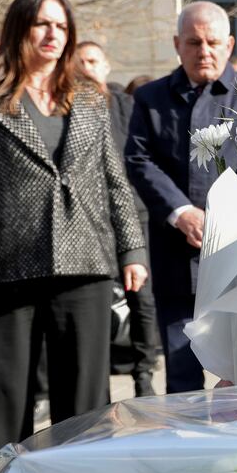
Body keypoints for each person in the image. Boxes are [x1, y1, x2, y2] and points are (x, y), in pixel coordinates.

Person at [0, 0, 147, 473]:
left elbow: (113, 178)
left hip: (86, 261)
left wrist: (132, 249)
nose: (53, 35)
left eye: (61, 25)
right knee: (3, 396)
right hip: (3, 263)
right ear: (19, 30)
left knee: (86, 399)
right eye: (42, 25)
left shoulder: (90, 96)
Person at [125, 2, 237, 393]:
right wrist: (181, 213)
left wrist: (233, 217)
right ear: (178, 44)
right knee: (181, 373)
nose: (203, 51)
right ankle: (185, 449)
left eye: (212, 42)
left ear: (229, 45)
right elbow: (139, 160)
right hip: (177, 254)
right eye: (193, 42)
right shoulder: (151, 99)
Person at [80, 40, 162, 398]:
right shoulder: (65, 107)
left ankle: (143, 375)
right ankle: (97, 384)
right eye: (80, 61)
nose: (86, 67)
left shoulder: (125, 104)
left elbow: (139, 156)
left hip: (134, 215)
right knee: (94, 305)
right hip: (88, 222)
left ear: (106, 66)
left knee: (141, 299)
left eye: (93, 60)